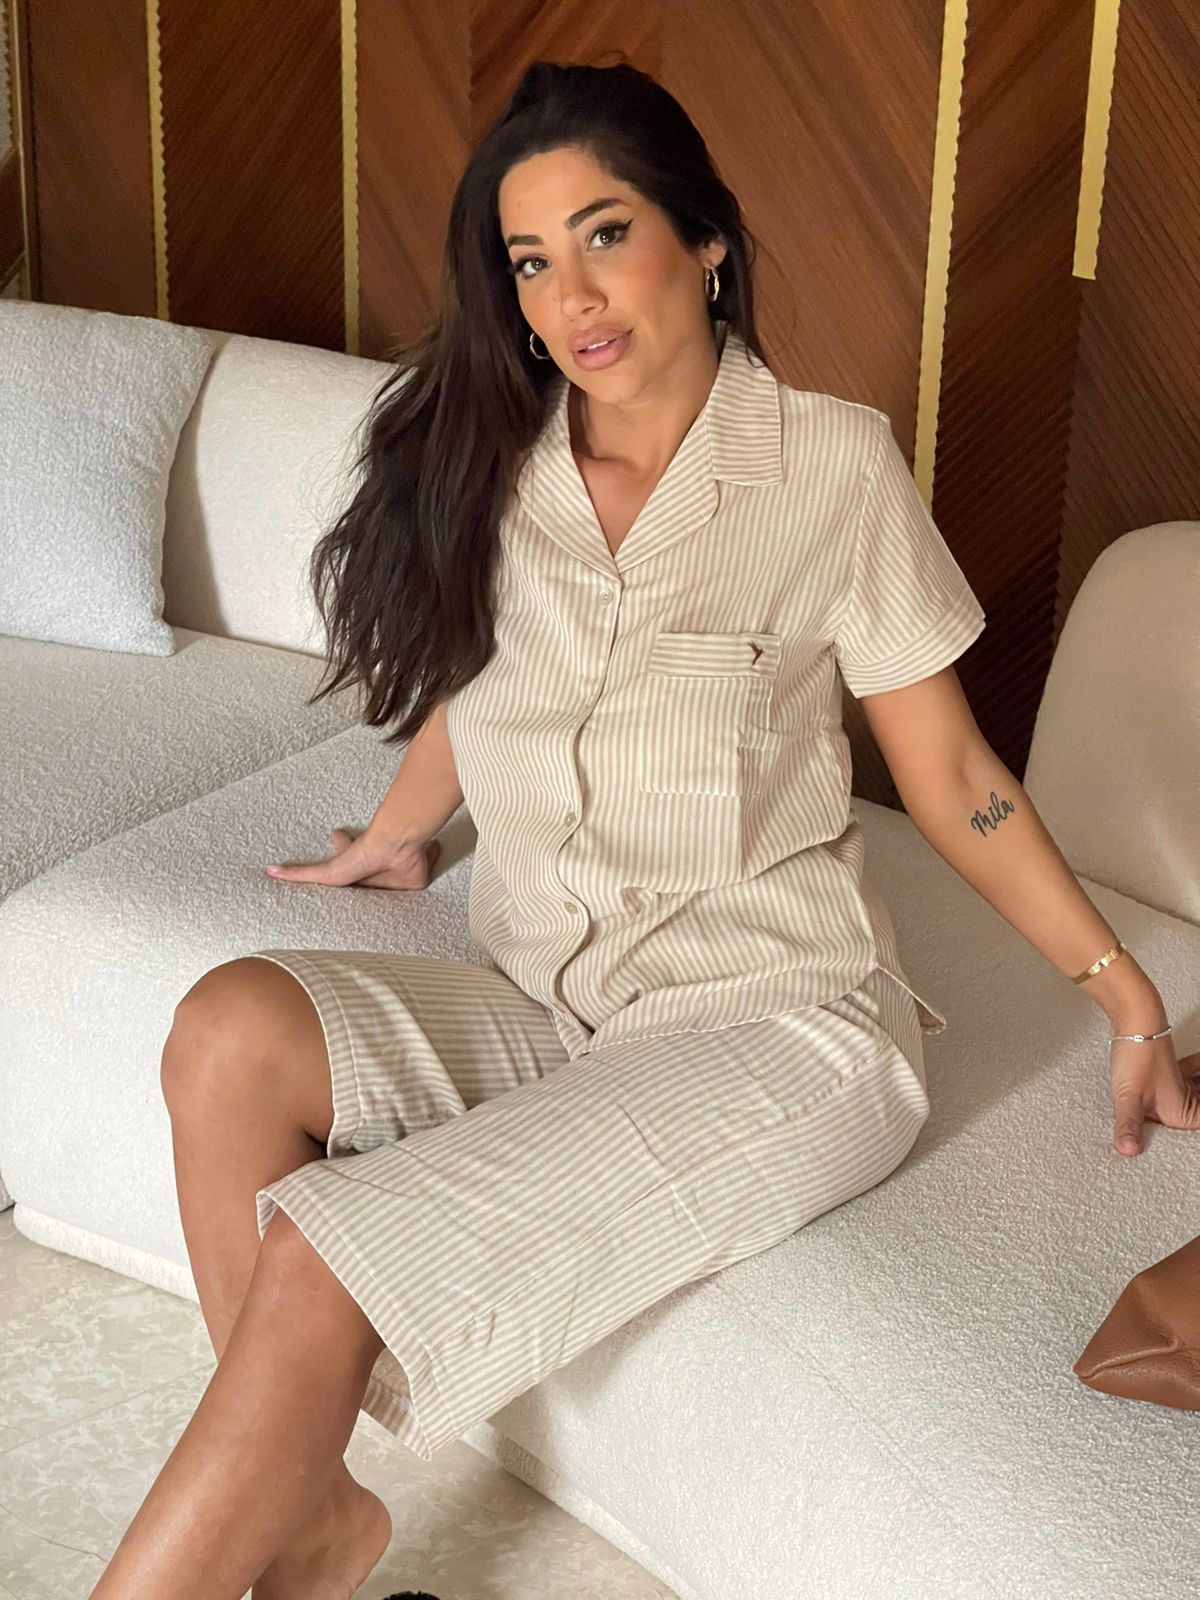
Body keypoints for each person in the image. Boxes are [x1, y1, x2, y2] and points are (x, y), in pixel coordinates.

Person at [89, 56, 1200, 1600]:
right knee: (228, 1033)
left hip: (781, 1026)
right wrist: (401, 834)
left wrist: (1122, 991)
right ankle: (318, 1513)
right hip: (557, 992)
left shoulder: (829, 465)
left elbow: (954, 775)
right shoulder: (507, 461)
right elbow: (487, 682)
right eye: (530, 261)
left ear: (708, 243)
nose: (570, 297)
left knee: (327, 1246)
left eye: (606, 235)